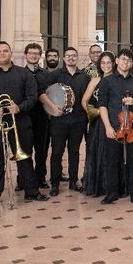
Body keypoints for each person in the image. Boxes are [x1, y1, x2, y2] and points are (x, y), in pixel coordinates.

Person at [0, 41, 49, 209]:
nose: (2, 54)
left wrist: (18, 107)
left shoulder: (23, 74)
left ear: (11, 53)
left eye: (5, 51)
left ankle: (31, 191)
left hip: (20, 121)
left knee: (25, 156)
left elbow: (32, 97)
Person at [97, 49, 133, 205]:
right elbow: (102, 105)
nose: (126, 62)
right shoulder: (107, 81)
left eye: (130, 60)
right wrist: (107, 127)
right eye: (124, 59)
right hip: (114, 126)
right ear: (116, 60)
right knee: (111, 159)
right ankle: (112, 192)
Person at [39, 47, 90, 196]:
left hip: (78, 120)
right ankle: (54, 184)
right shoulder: (55, 75)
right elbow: (42, 92)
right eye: (68, 55)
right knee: (57, 152)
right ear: (63, 58)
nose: (71, 58)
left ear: (77, 58)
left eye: (74, 56)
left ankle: (73, 181)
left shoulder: (84, 76)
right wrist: (53, 107)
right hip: (59, 120)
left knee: (74, 151)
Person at [81, 51, 120, 197]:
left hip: (116, 121)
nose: (106, 65)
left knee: (114, 155)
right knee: (99, 153)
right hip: (99, 124)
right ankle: (101, 186)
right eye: (103, 63)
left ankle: (115, 186)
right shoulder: (95, 80)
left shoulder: (118, 79)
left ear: (114, 63)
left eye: (108, 62)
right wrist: (96, 112)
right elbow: (84, 101)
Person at [25, 43, 51, 188]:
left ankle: (40, 178)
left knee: (42, 150)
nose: (33, 56)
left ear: (40, 55)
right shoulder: (19, 73)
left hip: (42, 117)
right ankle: (23, 180)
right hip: (25, 117)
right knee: (25, 150)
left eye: (36, 53)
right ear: (26, 55)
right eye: (31, 53)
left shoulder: (46, 75)